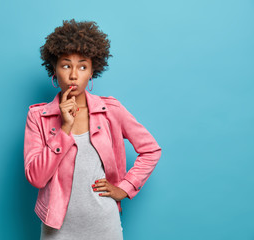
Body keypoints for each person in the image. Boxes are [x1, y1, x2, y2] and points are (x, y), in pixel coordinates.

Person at [23, 19, 162, 240]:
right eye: (66, 65)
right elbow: (36, 178)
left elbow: (151, 150)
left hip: (104, 226)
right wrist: (64, 129)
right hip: (57, 229)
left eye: (83, 66)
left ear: (92, 72)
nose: (74, 75)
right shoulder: (38, 117)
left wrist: (125, 188)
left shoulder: (111, 110)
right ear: (54, 70)